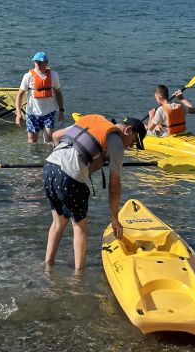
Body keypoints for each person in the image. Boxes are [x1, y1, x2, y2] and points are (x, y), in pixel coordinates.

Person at [42, 114, 147, 271]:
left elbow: (56, 135)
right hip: (69, 177)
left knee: (58, 222)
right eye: (133, 141)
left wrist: (65, 163)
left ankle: (48, 265)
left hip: (49, 166)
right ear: (128, 130)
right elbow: (114, 186)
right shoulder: (117, 145)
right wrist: (115, 219)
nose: (131, 147)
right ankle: (78, 276)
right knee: (80, 228)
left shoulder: (93, 119)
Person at [15, 51, 65, 143]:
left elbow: (58, 93)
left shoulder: (53, 75)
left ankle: (47, 152)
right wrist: (18, 114)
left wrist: (61, 110)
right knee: (32, 141)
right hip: (32, 114)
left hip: (49, 113)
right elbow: (20, 95)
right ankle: (34, 153)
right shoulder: (28, 76)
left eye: (40, 62)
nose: (38, 64)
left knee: (49, 140)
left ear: (46, 62)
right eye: (36, 61)